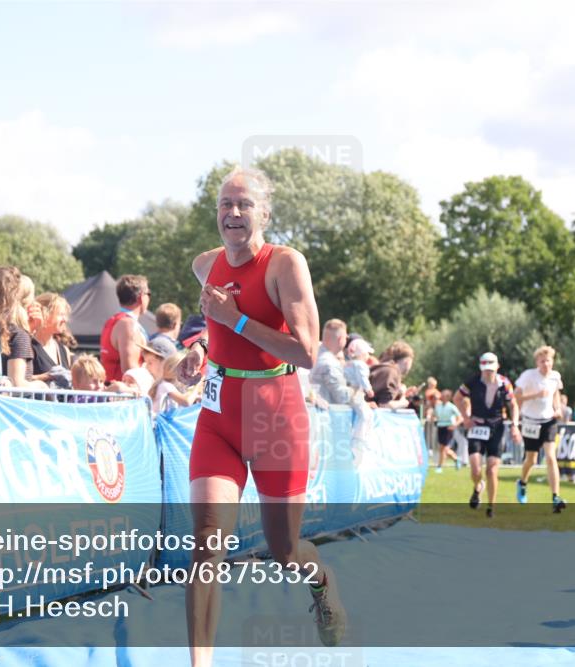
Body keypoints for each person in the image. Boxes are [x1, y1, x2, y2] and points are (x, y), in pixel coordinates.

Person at [175, 166, 345, 666]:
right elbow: (214, 326)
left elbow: (308, 353)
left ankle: (322, 582)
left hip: (276, 416)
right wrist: (200, 349)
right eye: (226, 204)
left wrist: (236, 320)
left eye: (244, 204)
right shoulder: (205, 264)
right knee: (207, 545)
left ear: (264, 213)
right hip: (219, 414)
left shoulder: (285, 264)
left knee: (285, 551)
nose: (233, 213)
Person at [454, 352, 521, 519]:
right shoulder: (473, 381)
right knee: (476, 468)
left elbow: (513, 405)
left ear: (497, 367)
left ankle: (491, 506)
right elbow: (457, 398)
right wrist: (466, 418)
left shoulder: (505, 383)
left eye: (491, 369)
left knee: (492, 469)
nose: (488, 373)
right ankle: (478, 486)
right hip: (476, 426)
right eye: (485, 369)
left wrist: (515, 426)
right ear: (481, 368)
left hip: (496, 427)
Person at [514, 346, 567, 512]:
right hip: (530, 421)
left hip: (549, 421)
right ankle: (522, 482)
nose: (546, 364)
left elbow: (556, 394)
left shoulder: (555, 377)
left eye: (548, 361)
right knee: (531, 460)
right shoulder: (528, 376)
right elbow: (516, 396)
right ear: (537, 362)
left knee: (551, 457)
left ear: (552, 361)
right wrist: (535, 395)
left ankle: (555, 497)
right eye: (542, 361)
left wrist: (557, 408)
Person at [99, 274, 151, 380]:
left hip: (115, 390)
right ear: (141, 297)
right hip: (125, 394)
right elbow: (130, 369)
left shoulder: (114, 321)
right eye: (148, 294)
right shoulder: (128, 325)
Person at [30, 293, 73, 387]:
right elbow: (18, 379)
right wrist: (46, 376)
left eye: (65, 315)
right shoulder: (29, 346)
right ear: (46, 314)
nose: (65, 319)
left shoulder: (64, 350)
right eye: (61, 314)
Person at [310, 319, 353, 405]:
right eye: (346, 338)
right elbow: (342, 397)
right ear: (340, 339)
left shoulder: (311, 353)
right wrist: (357, 391)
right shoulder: (330, 363)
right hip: (323, 415)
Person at [369, 341, 415, 409]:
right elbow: (384, 405)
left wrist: (401, 393)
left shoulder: (385, 369)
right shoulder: (391, 372)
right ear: (407, 361)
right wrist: (403, 402)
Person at [435, 388, 462, 472]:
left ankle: (439, 466)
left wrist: (454, 425)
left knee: (444, 448)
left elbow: (460, 417)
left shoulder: (451, 407)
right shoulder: (438, 406)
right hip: (440, 427)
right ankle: (456, 458)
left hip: (448, 428)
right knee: (441, 448)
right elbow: (435, 415)